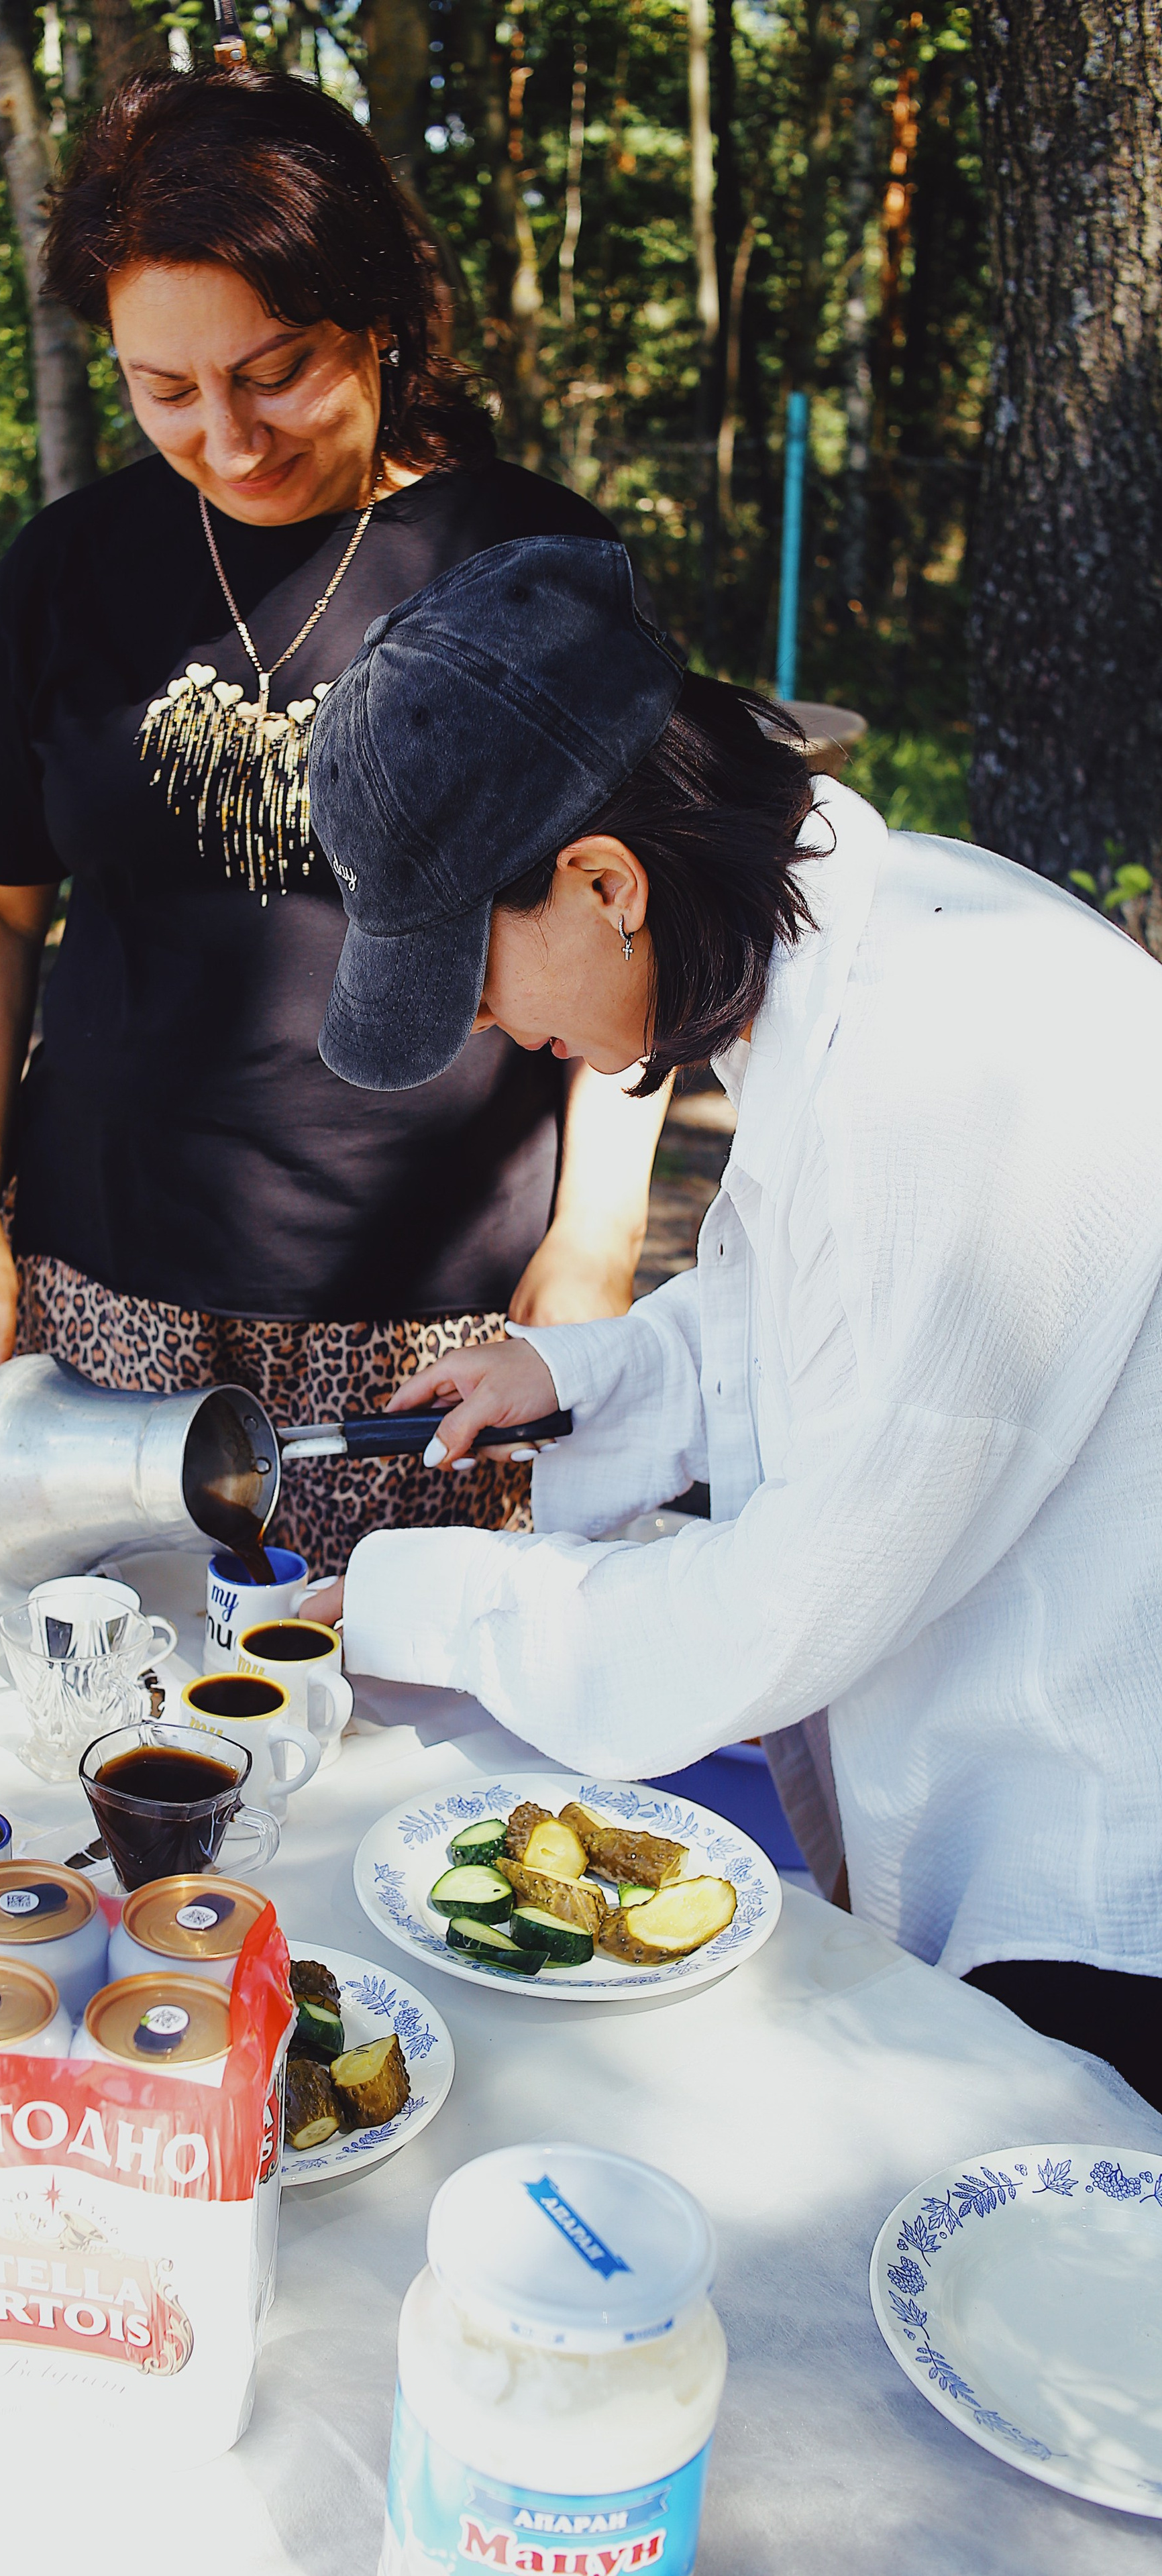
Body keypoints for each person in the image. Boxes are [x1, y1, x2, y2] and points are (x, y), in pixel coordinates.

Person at [301, 534, 1162, 2110]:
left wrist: (425, 1600)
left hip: (1097, 1874)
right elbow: (806, 1314)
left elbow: (796, 1585)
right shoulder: (846, 959)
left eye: (471, 978)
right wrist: (576, 1365)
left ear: (604, 880)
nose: (485, 1026)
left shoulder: (954, 1060)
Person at [0, 64, 676, 1575]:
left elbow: (632, 925)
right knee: (90, 1723)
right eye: (163, 390)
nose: (229, 439)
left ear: (378, 313)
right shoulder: (64, 573)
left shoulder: (532, 562)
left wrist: (591, 1248)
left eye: (276, 368)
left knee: (381, 1750)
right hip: (99, 1285)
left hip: (428, 1313)